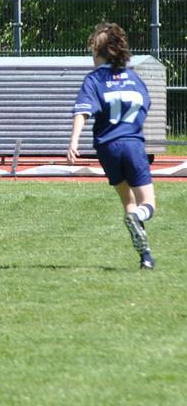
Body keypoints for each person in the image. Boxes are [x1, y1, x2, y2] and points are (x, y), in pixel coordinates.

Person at [68, 22, 156, 270]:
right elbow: (145, 105)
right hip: (132, 144)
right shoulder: (134, 78)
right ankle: (138, 221)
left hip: (107, 148)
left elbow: (83, 111)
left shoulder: (95, 79)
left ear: (100, 52)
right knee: (148, 204)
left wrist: (74, 141)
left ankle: (146, 256)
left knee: (128, 201)